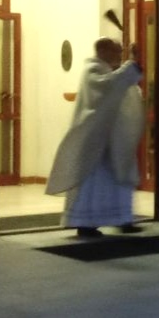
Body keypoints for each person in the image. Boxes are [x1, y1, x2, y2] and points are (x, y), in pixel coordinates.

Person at [45, 37, 146, 237]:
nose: (119, 55)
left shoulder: (109, 71)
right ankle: (86, 223)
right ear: (103, 51)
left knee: (120, 179)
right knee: (94, 183)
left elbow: (124, 84)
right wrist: (131, 64)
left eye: (120, 51)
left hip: (115, 138)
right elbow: (109, 86)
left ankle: (123, 219)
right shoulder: (93, 71)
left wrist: (131, 67)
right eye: (116, 51)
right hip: (96, 140)